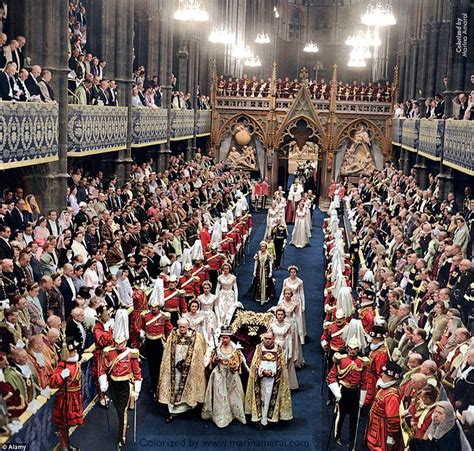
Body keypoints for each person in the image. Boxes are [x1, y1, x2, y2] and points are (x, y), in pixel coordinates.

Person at [99, 310, 142, 449]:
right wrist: (103, 382)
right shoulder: (108, 352)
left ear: (125, 341)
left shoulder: (132, 354)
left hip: (125, 385)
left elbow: (137, 373)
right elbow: (103, 369)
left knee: (122, 411)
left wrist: (136, 390)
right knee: (118, 409)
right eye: (116, 343)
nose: (118, 345)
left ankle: (121, 438)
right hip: (113, 385)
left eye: (121, 343)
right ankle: (122, 424)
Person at [158, 317, 206, 423]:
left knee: (188, 385)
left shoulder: (196, 337)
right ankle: (173, 410)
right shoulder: (173, 335)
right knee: (175, 384)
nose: (182, 329)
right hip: (174, 366)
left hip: (189, 367)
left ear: (188, 326)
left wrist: (190, 363)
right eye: (180, 327)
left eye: (184, 327)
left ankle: (187, 405)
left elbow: (200, 352)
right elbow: (167, 351)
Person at [245, 331, 293, 429]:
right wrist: (262, 371)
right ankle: (260, 417)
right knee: (261, 398)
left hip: (273, 380)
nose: (267, 341)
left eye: (269, 339)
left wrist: (272, 372)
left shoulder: (278, 349)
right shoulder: (259, 348)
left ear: (273, 339)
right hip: (260, 378)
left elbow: (281, 365)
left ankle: (265, 420)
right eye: (265, 338)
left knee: (268, 399)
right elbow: (255, 363)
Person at [327, 337, 368, 448]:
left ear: (358, 349)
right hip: (343, 390)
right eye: (350, 348)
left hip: (355, 392)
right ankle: (337, 435)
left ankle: (351, 441)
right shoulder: (341, 360)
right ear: (347, 348)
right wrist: (337, 393)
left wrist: (362, 400)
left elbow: (364, 382)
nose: (352, 351)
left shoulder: (362, 362)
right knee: (340, 416)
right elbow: (331, 377)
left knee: (354, 419)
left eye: (355, 349)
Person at [201, 326, 246, 428]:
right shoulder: (217, 348)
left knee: (233, 395)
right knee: (220, 395)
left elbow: (238, 362)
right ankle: (221, 416)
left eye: (227, 338)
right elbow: (212, 362)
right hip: (218, 375)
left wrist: (234, 365)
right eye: (223, 338)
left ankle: (234, 413)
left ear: (230, 338)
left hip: (231, 375)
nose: (225, 340)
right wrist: (215, 360)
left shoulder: (235, 349)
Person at [49, 337, 83, 451]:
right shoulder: (62, 365)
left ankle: (67, 445)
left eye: (73, 351)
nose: (73, 353)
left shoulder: (76, 362)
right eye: (71, 351)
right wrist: (61, 376)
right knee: (63, 426)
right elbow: (52, 383)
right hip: (65, 399)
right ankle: (64, 447)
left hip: (75, 397)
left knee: (67, 425)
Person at [140, 296, 173, 399]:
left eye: (156, 307)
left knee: (160, 365)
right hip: (149, 342)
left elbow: (169, 329)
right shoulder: (145, 316)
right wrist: (142, 334)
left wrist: (168, 341)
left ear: (159, 307)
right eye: (152, 307)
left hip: (160, 343)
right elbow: (141, 327)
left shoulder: (164, 316)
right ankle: (154, 387)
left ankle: (162, 386)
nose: (154, 309)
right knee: (151, 366)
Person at [365, 361, 402, 451]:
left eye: (384, 373)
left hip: (382, 429)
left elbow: (393, 419)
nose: (381, 374)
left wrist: (390, 435)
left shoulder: (392, 396)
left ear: (390, 378)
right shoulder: (385, 388)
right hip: (375, 425)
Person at [215, 262, 241, 326]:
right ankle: (222, 324)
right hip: (222, 294)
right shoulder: (220, 277)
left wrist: (236, 300)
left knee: (230, 309)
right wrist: (216, 297)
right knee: (222, 309)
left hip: (230, 294)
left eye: (227, 268)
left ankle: (229, 323)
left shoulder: (233, 277)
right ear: (222, 269)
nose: (225, 270)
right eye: (224, 269)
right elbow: (217, 288)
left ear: (229, 269)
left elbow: (235, 289)